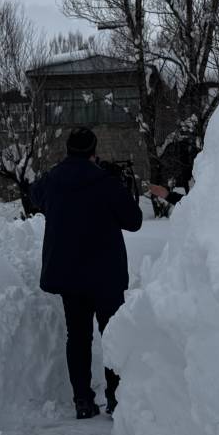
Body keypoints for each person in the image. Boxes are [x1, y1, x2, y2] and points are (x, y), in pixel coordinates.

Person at [30, 127, 143, 419]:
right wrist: (117, 183)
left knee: (78, 336)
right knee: (111, 334)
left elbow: (34, 195)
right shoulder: (106, 182)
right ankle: (115, 398)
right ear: (94, 151)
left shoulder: (53, 180)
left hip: (69, 275)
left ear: (68, 149)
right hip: (106, 275)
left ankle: (82, 400)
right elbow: (134, 221)